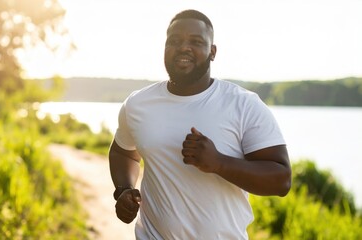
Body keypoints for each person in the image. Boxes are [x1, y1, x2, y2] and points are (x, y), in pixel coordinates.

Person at [109, 9, 291, 239]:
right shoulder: (137, 104)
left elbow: (281, 180)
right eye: (174, 41)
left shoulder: (243, 105)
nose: (184, 47)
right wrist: (123, 189)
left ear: (212, 52)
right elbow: (123, 153)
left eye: (196, 41)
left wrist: (220, 163)